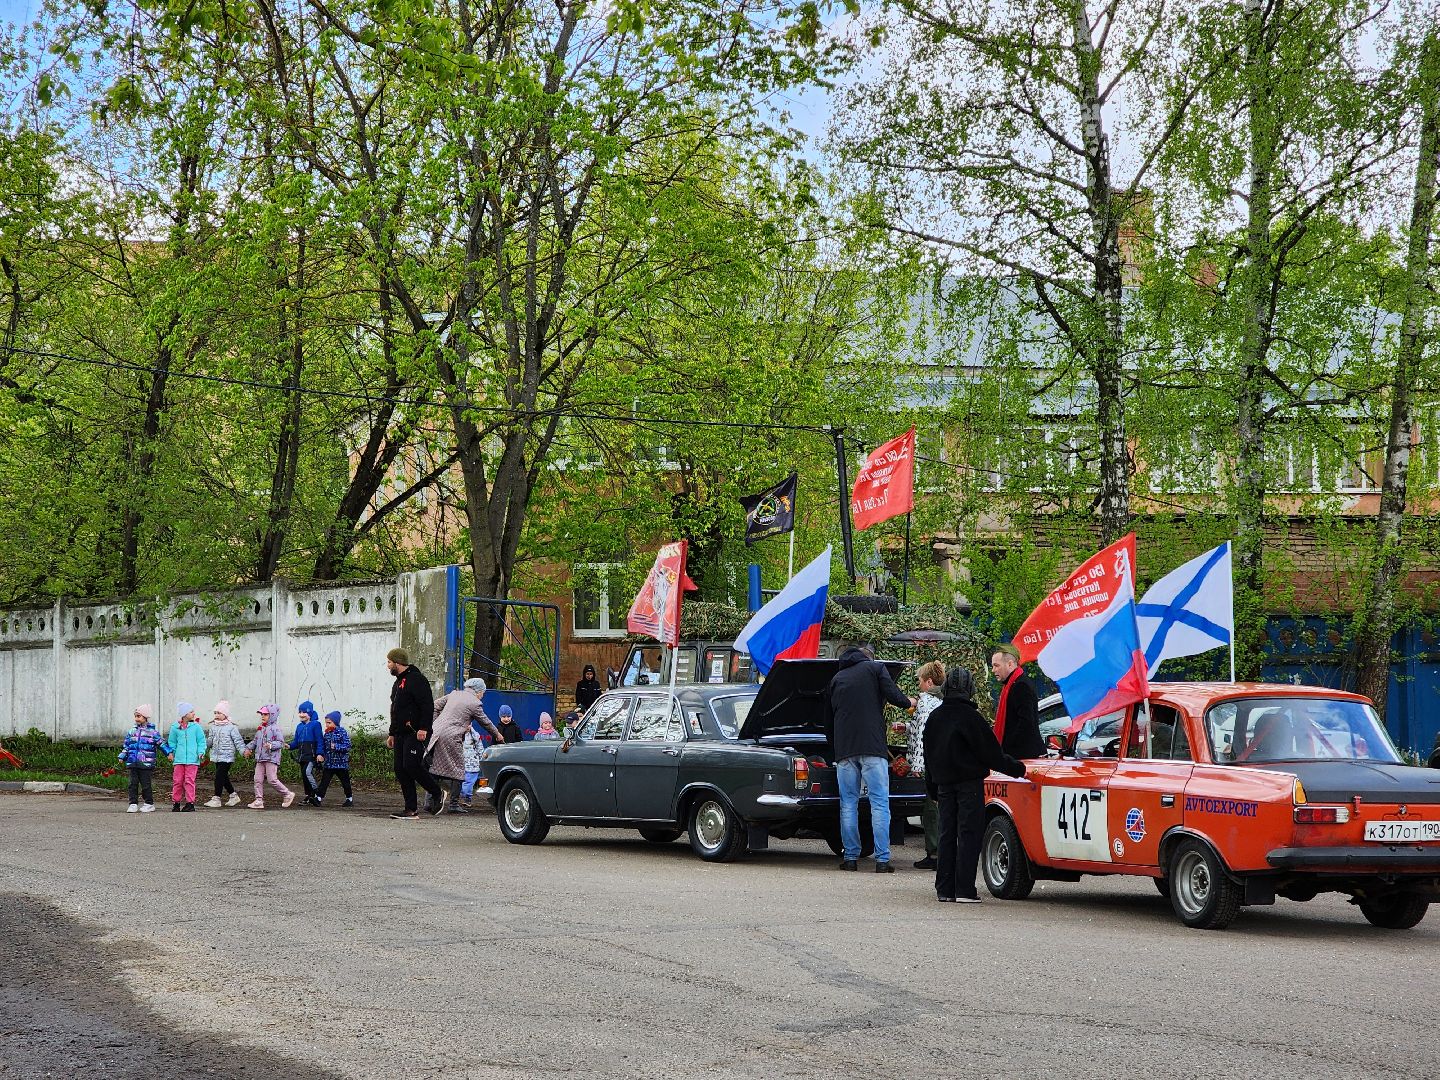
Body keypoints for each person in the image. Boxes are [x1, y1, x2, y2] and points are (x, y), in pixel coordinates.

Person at [924, 666, 1027, 903]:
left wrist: (932, 788)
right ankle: (964, 890)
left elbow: (928, 757)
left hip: (943, 786)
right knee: (969, 835)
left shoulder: (934, 718)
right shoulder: (972, 718)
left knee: (946, 834)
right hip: (969, 785)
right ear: (969, 689)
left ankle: (944, 889)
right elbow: (992, 754)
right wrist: (1018, 770)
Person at [827, 646, 914, 873]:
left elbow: (829, 718)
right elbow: (894, 695)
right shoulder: (875, 669)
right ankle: (882, 860)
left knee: (848, 804)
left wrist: (835, 746)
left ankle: (851, 858)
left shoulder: (837, 678)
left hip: (845, 751)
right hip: (873, 748)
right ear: (868, 657)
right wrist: (909, 702)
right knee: (879, 803)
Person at [428, 678, 500, 814]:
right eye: (482, 693)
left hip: (436, 733)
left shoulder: (454, 694)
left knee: (434, 769)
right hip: (452, 737)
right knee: (459, 769)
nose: (482, 696)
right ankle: (454, 804)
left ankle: (429, 802)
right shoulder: (474, 703)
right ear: (478, 691)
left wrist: (435, 724)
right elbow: (486, 722)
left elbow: (434, 706)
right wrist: (497, 734)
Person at [386, 647, 442, 819]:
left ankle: (436, 791)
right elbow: (395, 710)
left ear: (397, 662)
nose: (387, 666)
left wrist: (424, 728)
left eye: (389, 662)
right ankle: (410, 809)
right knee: (400, 768)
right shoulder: (398, 683)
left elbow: (427, 705)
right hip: (401, 733)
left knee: (411, 765)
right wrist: (392, 733)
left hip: (416, 731)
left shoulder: (417, 680)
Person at [905, 661, 945, 870]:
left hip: (929, 764)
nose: (919, 685)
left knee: (931, 809)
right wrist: (906, 727)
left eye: (920, 681)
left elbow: (922, 735)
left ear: (929, 682)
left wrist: (917, 765)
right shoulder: (942, 700)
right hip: (942, 761)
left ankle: (935, 853)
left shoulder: (925, 701)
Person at [990, 643, 1045, 760]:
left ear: (1010, 664)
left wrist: (1007, 751)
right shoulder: (1012, 684)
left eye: (996, 665)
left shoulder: (1021, 686)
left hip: (1023, 757)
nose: (993, 670)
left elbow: (1026, 723)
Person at [245, 704, 295, 810]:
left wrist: (271, 745)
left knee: (272, 779)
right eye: (262, 714)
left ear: (272, 715)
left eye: (265, 714)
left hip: (271, 758)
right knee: (257, 779)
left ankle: (287, 794)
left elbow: (281, 743)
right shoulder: (261, 728)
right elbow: (255, 741)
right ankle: (259, 800)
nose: (263, 716)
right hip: (260, 757)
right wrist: (248, 748)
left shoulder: (275, 728)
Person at [118, 705, 163, 813]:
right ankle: (133, 803)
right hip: (133, 762)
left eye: (139, 716)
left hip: (146, 763)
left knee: (146, 784)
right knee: (132, 784)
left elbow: (161, 743)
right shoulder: (132, 731)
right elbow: (127, 745)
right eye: (135, 716)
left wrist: (169, 753)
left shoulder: (152, 733)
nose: (136, 718)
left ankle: (149, 803)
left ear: (145, 717)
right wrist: (122, 756)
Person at [165, 702, 208, 813]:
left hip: (193, 760)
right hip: (178, 760)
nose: (193, 713)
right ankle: (176, 802)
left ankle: (190, 803)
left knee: (189, 781)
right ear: (184, 714)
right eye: (191, 711)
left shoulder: (196, 727)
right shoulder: (175, 727)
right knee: (177, 781)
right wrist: (172, 753)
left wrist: (201, 752)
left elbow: (201, 741)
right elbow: (172, 742)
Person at [204, 701, 246, 808]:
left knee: (219, 776)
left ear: (225, 715)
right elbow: (210, 740)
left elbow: (238, 741)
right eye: (215, 713)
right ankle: (233, 795)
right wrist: (203, 747)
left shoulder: (231, 727)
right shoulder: (213, 727)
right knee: (223, 777)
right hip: (216, 756)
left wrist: (243, 751)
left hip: (227, 756)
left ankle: (216, 798)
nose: (217, 715)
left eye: (219, 713)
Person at [290, 701, 325, 805]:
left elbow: (320, 740)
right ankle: (308, 795)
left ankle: (316, 792)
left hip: (311, 755)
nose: (301, 714)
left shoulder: (315, 724)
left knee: (307, 772)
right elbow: (296, 742)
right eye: (299, 712)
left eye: (304, 712)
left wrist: (320, 753)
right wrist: (289, 746)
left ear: (310, 713)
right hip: (302, 755)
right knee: (304, 776)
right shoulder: (299, 726)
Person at [315, 710, 353, 807]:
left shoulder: (342, 732)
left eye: (329, 723)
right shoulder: (327, 734)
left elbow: (347, 746)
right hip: (329, 763)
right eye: (326, 723)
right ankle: (318, 798)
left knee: (345, 782)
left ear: (335, 722)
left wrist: (336, 746)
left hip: (341, 764)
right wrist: (321, 755)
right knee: (324, 781)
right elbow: (324, 746)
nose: (327, 725)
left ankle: (349, 798)